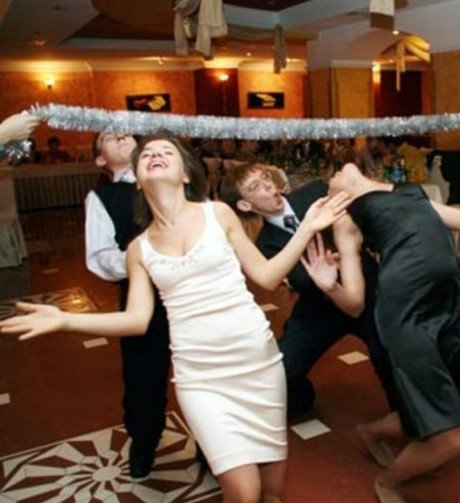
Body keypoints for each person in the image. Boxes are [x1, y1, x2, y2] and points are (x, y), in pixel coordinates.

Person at [1, 135, 350, 502]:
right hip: (201, 379)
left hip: (258, 364)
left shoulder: (218, 213)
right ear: (138, 179)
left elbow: (265, 275)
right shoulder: (138, 249)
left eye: (166, 151)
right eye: (147, 154)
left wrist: (307, 228)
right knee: (245, 493)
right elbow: (137, 320)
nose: (155, 154)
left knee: (271, 491)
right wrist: (66, 320)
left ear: (185, 175)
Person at [328, 128, 460, 503]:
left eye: (334, 171)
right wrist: (328, 285)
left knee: (441, 405)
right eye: (329, 179)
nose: (333, 175)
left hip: (446, 306)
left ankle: (371, 432)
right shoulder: (345, 219)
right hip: (405, 313)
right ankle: (387, 482)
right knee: (452, 433)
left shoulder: (410, 193)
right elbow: (355, 303)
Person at [220, 163, 398, 417]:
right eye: (255, 186)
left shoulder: (315, 192)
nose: (268, 185)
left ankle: (407, 417)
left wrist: (354, 250)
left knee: (391, 356)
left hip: (366, 290)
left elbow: (361, 212)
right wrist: (326, 270)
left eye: (266, 177)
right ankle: (302, 400)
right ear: (245, 205)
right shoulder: (266, 244)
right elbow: (301, 281)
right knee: (282, 371)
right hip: (319, 304)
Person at [84, 131, 172, 479]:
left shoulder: (172, 173)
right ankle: (144, 442)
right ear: (100, 160)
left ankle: (212, 446)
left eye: (124, 130)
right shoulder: (103, 197)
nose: (120, 135)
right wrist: (145, 261)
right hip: (142, 296)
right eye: (109, 136)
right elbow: (101, 257)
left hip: (191, 291)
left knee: (205, 368)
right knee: (143, 377)